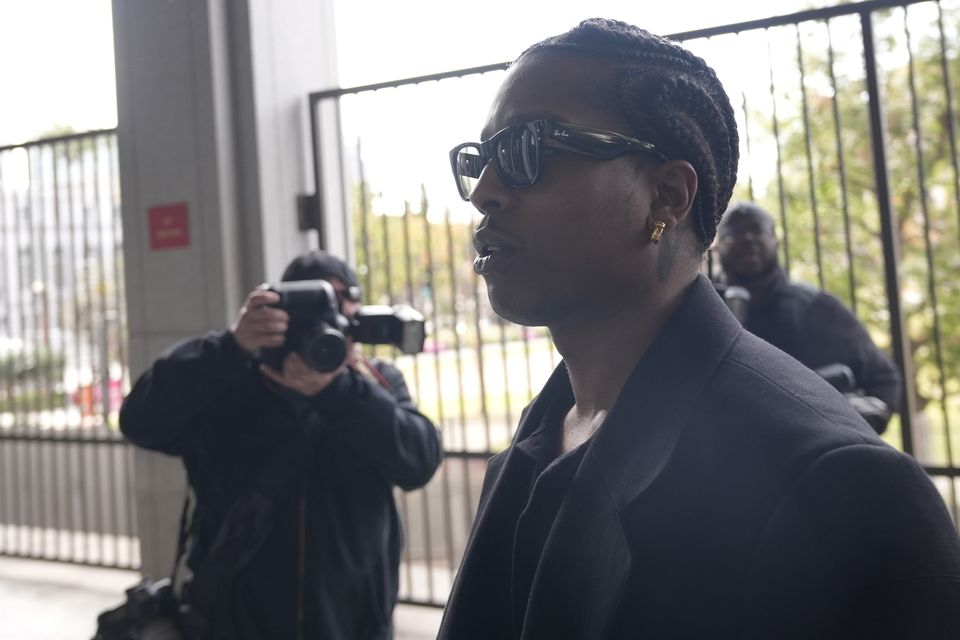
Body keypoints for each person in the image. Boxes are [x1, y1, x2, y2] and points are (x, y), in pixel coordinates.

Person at [440, 18, 960, 639]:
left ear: (665, 197)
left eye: (528, 149)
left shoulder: (838, 488)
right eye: (481, 159)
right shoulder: (542, 436)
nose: (485, 193)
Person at [119, 250, 442, 640]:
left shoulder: (375, 383)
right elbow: (141, 422)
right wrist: (230, 347)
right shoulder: (230, 382)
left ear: (356, 315)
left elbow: (419, 460)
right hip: (235, 623)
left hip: (352, 624)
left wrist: (338, 391)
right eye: (313, 306)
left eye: (338, 304)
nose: (327, 320)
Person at [715, 201, 902, 434]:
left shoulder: (819, 308)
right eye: (734, 233)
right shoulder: (701, 309)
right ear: (717, 246)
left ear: (775, 240)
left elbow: (884, 378)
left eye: (757, 229)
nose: (748, 238)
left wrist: (850, 433)